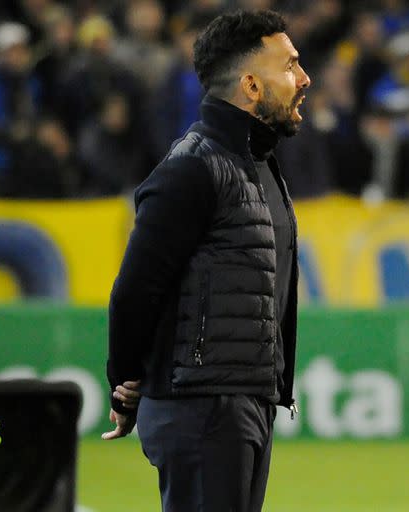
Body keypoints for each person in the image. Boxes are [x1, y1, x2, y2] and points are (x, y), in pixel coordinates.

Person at [102, 9, 310, 512]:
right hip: (202, 404)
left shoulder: (259, 166)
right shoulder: (192, 168)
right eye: (290, 65)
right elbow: (137, 288)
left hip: (243, 398)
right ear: (251, 85)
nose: (304, 79)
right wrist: (125, 379)